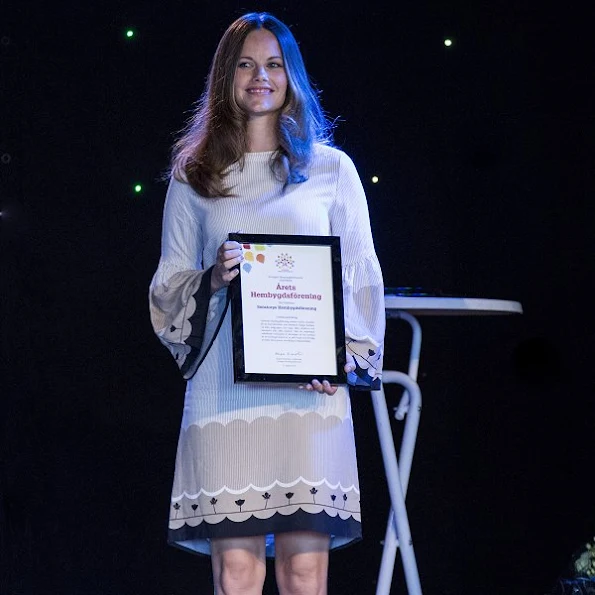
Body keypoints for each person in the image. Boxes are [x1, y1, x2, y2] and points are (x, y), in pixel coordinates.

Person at [149, 12, 385, 595]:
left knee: (306, 573)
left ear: (292, 76)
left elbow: (359, 273)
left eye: (274, 64)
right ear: (225, 77)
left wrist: (344, 358)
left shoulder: (331, 169)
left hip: (309, 398)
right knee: (237, 572)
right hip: (223, 398)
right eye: (247, 64)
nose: (261, 77)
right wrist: (214, 277)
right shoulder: (195, 175)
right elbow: (168, 284)